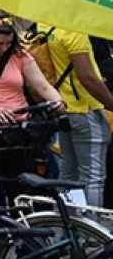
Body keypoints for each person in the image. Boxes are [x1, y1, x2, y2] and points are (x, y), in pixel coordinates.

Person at [39, 24, 113, 207]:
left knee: (68, 173)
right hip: (84, 109)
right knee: (93, 178)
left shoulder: (48, 27)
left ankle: (64, 225)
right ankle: (94, 231)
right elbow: (87, 77)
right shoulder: (74, 32)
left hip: (64, 108)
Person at [0, 17, 64, 124]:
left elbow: (44, 87)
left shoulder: (19, 56)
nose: (4, 48)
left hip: (21, 123)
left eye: (8, 43)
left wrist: (58, 101)